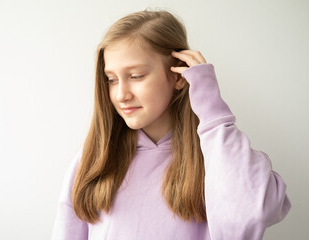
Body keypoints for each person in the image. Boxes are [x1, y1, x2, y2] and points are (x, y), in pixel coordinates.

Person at [51, 10, 291, 240]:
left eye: (136, 76)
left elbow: (253, 210)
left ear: (177, 76)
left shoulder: (216, 156)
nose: (120, 94)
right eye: (111, 80)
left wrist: (211, 106)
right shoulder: (96, 157)